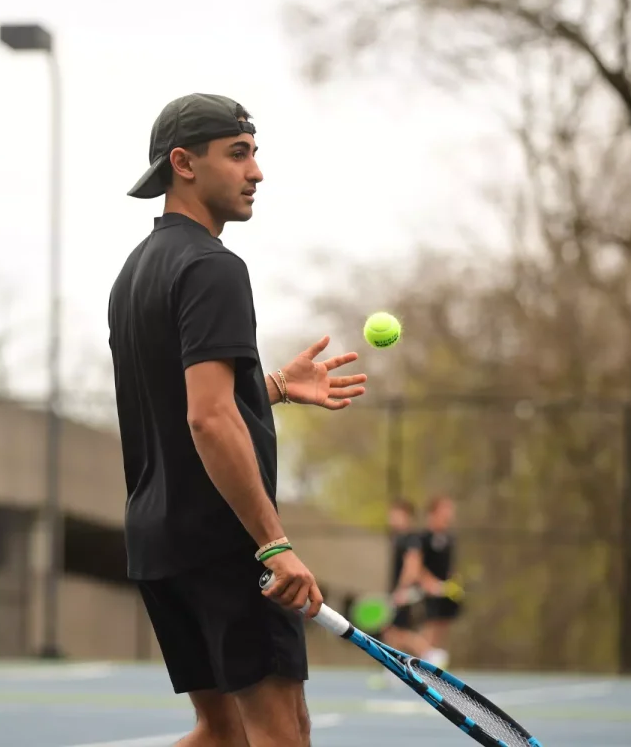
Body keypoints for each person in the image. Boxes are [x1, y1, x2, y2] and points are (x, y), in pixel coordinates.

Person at [108, 93, 370, 747]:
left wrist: (273, 386)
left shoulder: (134, 273)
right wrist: (273, 543)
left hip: (158, 543)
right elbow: (207, 418)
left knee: (219, 736)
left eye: (254, 154)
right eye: (238, 154)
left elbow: (187, 401)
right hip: (225, 549)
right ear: (183, 164)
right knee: (283, 734)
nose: (256, 172)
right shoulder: (213, 268)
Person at [368, 498, 432, 689]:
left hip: (404, 593)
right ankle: (393, 672)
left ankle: (430, 653)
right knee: (391, 632)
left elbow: (412, 566)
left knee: (396, 631)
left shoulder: (411, 539)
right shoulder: (399, 539)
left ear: (406, 516)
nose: (391, 518)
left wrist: (402, 590)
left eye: (395, 514)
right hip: (399, 592)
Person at [418, 493, 460, 669]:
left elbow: (449, 567)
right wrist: (429, 583)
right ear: (434, 512)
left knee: (443, 623)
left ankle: (434, 663)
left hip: (445, 590)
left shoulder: (449, 539)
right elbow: (418, 565)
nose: (449, 513)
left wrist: (452, 584)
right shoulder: (423, 538)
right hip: (427, 591)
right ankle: (421, 662)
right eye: (445, 509)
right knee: (430, 623)